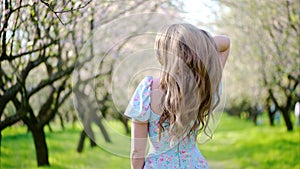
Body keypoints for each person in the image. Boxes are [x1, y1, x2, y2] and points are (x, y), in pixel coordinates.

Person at [124, 23, 230, 169]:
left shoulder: (147, 89)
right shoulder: (202, 85)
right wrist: (198, 44)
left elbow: (137, 152)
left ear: (162, 54)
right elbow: (225, 43)